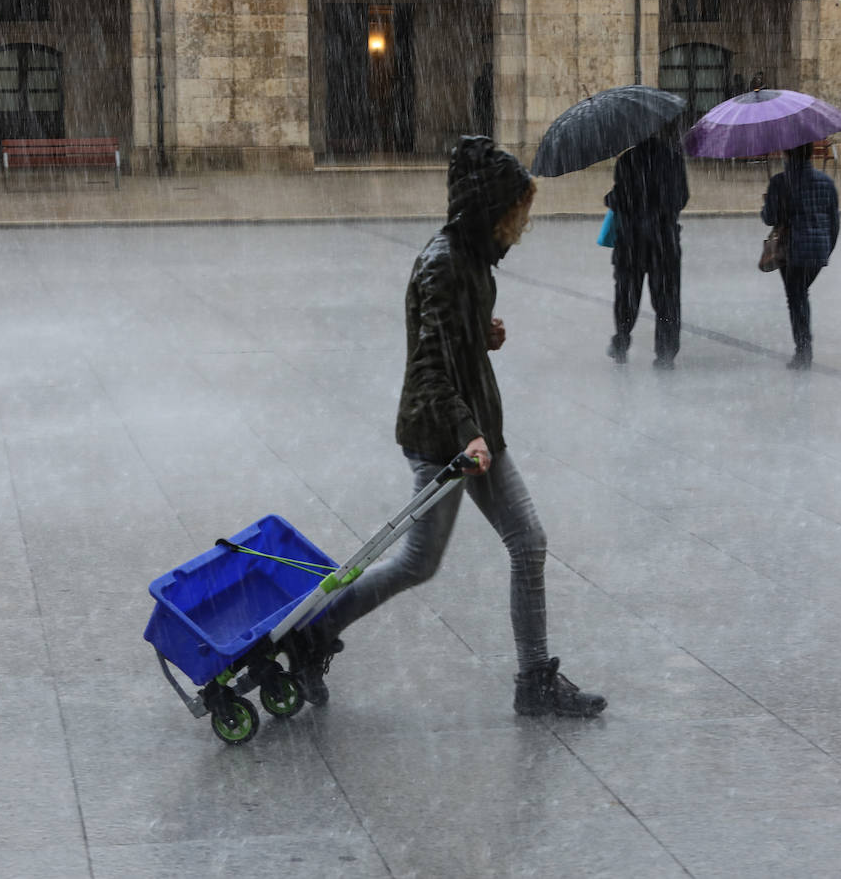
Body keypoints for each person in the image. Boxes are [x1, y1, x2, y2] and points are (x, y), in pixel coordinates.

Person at [291, 135, 606, 719]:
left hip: (473, 425)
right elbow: (430, 368)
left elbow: (453, 341)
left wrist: (483, 333)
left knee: (528, 543)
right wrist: (468, 433)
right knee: (419, 562)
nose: (522, 225)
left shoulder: (473, 254)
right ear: (491, 207)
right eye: (517, 212)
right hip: (445, 433)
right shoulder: (443, 263)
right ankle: (313, 633)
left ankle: (534, 680)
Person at [604, 123, 689, 369]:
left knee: (627, 296)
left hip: (631, 242)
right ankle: (666, 353)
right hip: (664, 241)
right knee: (667, 299)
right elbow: (681, 198)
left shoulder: (627, 161)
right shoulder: (674, 160)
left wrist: (611, 198)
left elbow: (619, 198)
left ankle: (621, 341)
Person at [761, 141, 840, 369]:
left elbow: (770, 218)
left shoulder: (780, 182)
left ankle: (804, 351)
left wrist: (768, 202)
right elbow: (834, 222)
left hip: (793, 249)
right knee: (800, 294)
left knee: (797, 298)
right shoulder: (826, 182)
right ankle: (804, 348)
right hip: (818, 249)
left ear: (786, 153)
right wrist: (826, 248)